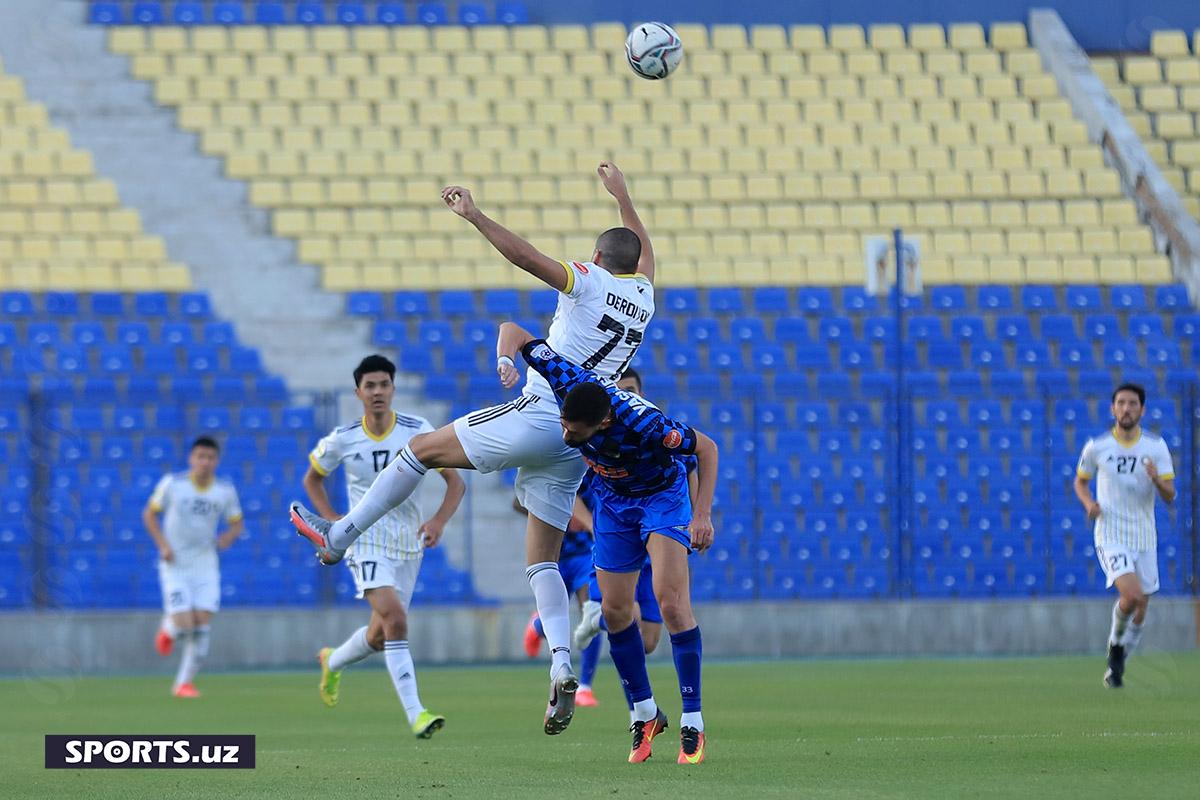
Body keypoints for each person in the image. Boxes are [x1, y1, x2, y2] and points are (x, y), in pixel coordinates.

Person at [291, 162, 654, 735]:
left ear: (597, 258)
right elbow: (643, 251)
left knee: (419, 449)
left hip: (542, 410)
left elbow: (528, 259)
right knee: (541, 556)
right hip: (577, 441)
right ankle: (561, 662)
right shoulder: (643, 294)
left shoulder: (589, 278)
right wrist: (624, 196)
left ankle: (341, 535)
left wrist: (475, 215)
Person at [498, 324, 717, 765]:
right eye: (564, 424)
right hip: (614, 502)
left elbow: (707, 449)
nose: (565, 437)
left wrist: (702, 515)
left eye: (575, 433)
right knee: (614, 612)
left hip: (661, 498)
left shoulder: (648, 424)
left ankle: (693, 721)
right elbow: (514, 332)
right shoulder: (565, 380)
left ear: (604, 422)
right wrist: (506, 359)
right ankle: (645, 714)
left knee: (670, 602)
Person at [303, 355, 466, 738]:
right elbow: (312, 479)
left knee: (380, 635)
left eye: (384, 385)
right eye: (370, 386)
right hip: (365, 541)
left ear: (393, 389)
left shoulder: (418, 430)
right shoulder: (342, 437)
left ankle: (333, 659)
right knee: (395, 619)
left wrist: (439, 520)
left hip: (408, 543)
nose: (378, 392)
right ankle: (417, 714)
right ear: (358, 392)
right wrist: (337, 526)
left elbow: (455, 482)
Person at [1073, 382, 1175, 688]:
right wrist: (1089, 503)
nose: (1126, 408)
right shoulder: (1097, 447)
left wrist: (1157, 479)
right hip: (1111, 533)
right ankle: (1115, 646)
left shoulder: (1156, 447)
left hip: (1144, 536)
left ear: (1142, 410)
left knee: (1141, 605)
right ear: (1112, 408)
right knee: (1130, 596)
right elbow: (1080, 482)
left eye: (1132, 403)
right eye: (1121, 403)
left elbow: (1170, 494)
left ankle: (1117, 664)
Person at [142, 436, 243, 698]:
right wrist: (163, 545)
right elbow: (149, 514)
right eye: (200, 457)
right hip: (175, 563)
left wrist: (226, 539)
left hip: (205, 564)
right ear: (191, 459)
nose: (205, 462)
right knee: (186, 623)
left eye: (210, 458)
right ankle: (169, 629)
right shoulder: (173, 485)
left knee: (202, 623)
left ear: (216, 461)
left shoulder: (224, 490)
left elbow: (237, 522)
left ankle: (183, 683)